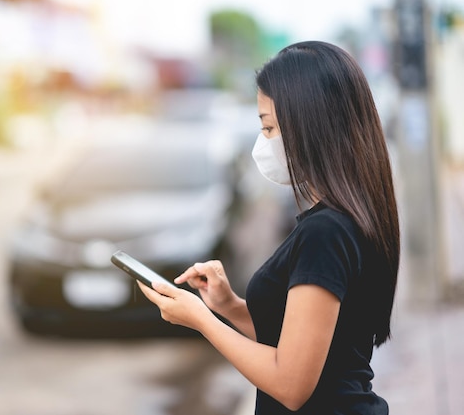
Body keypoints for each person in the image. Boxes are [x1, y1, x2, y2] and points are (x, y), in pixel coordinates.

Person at [138, 40, 400, 415]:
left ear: (309, 125)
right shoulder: (349, 217)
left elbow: (291, 385)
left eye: (269, 127)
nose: (263, 143)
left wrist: (201, 320)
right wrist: (228, 306)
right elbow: (301, 342)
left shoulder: (326, 232)